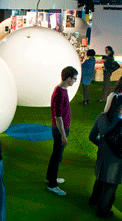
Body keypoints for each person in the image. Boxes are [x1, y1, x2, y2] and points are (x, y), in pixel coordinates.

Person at [88, 95, 122, 218]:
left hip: (101, 155)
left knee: (100, 178)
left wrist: (102, 145)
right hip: (115, 159)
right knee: (110, 186)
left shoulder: (101, 117)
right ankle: (102, 211)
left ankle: (93, 200)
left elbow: (92, 136)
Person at [46, 66, 78, 196]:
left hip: (61, 129)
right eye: (74, 79)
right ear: (68, 78)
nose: (75, 81)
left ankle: (50, 178)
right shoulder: (60, 92)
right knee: (57, 157)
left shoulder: (61, 90)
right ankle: (52, 184)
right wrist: (63, 136)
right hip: (60, 130)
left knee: (56, 156)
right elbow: (57, 116)